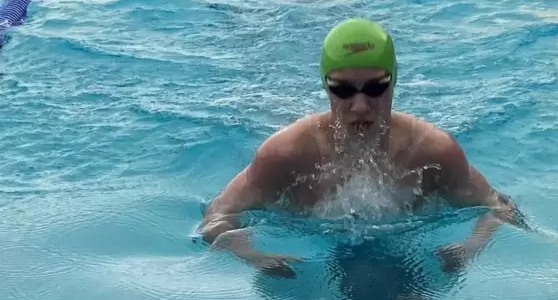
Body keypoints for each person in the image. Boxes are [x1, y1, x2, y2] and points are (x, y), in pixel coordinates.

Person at [198, 17, 528, 279]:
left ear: (394, 82)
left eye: (375, 88)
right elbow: (218, 217)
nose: (359, 106)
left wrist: (471, 246)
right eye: (342, 90)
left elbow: (500, 208)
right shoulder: (286, 154)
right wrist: (253, 256)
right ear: (325, 87)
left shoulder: (433, 151)